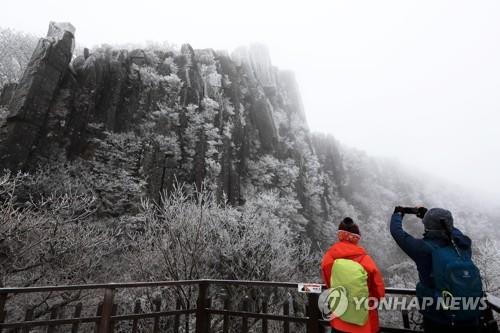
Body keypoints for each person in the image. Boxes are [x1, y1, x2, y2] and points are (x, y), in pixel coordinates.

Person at [390, 207, 483, 333]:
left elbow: (397, 232)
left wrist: (398, 214)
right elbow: (452, 230)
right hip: (470, 316)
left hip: (437, 317)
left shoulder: (423, 249)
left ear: (427, 226)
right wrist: (430, 216)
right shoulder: (463, 246)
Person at [321, 217, 385, 333]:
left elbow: (328, 283)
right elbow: (379, 291)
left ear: (339, 235)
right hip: (364, 323)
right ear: (357, 237)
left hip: (338, 319)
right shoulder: (365, 259)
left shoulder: (329, 257)